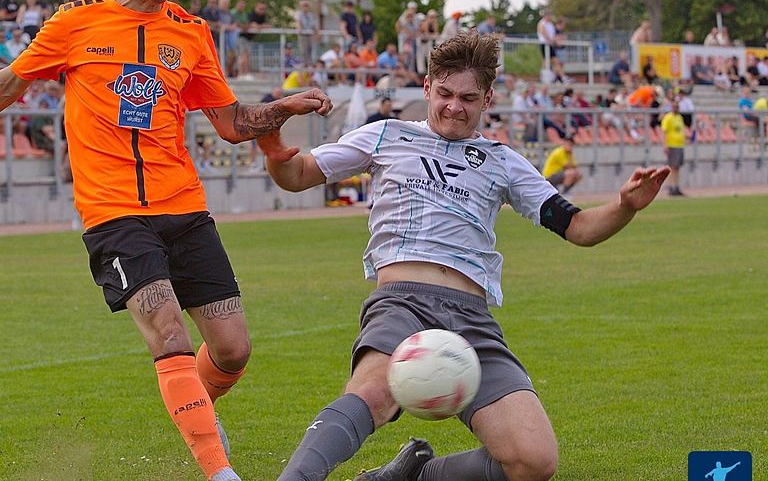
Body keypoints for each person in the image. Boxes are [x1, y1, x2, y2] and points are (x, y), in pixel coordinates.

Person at [0, 0, 333, 480]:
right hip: (113, 212)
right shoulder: (77, 21)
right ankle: (221, 473)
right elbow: (9, 83)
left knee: (233, 350)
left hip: (184, 207)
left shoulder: (191, 32)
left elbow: (232, 122)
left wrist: (282, 106)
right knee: (169, 334)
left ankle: (193, 407)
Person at [258, 32, 669, 481]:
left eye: (469, 98)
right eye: (446, 94)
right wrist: (274, 152)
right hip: (402, 301)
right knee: (375, 391)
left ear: (488, 98)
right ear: (429, 87)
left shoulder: (503, 161)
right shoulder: (384, 136)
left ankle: (413, 477)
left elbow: (579, 227)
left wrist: (625, 206)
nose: (454, 107)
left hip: (472, 318)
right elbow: (297, 175)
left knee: (533, 461)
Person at [660, 98, 687, 196]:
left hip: (680, 145)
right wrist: (665, 145)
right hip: (672, 145)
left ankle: (676, 186)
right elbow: (664, 131)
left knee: (677, 167)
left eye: (677, 106)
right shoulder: (668, 117)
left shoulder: (679, 117)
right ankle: (671, 187)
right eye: (675, 106)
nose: (676, 108)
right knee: (672, 167)